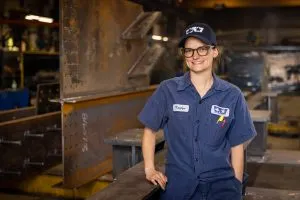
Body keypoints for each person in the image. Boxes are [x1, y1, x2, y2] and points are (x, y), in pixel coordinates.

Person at [138, 22, 257, 200]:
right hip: (179, 187)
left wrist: (236, 186)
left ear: (214, 51)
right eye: (189, 50)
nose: (195, 56)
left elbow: (237, 145)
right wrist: (149, 169)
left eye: (202, 49)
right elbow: (149, 131)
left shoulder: (232, 95)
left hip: (220, 186)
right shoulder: (167, 90)